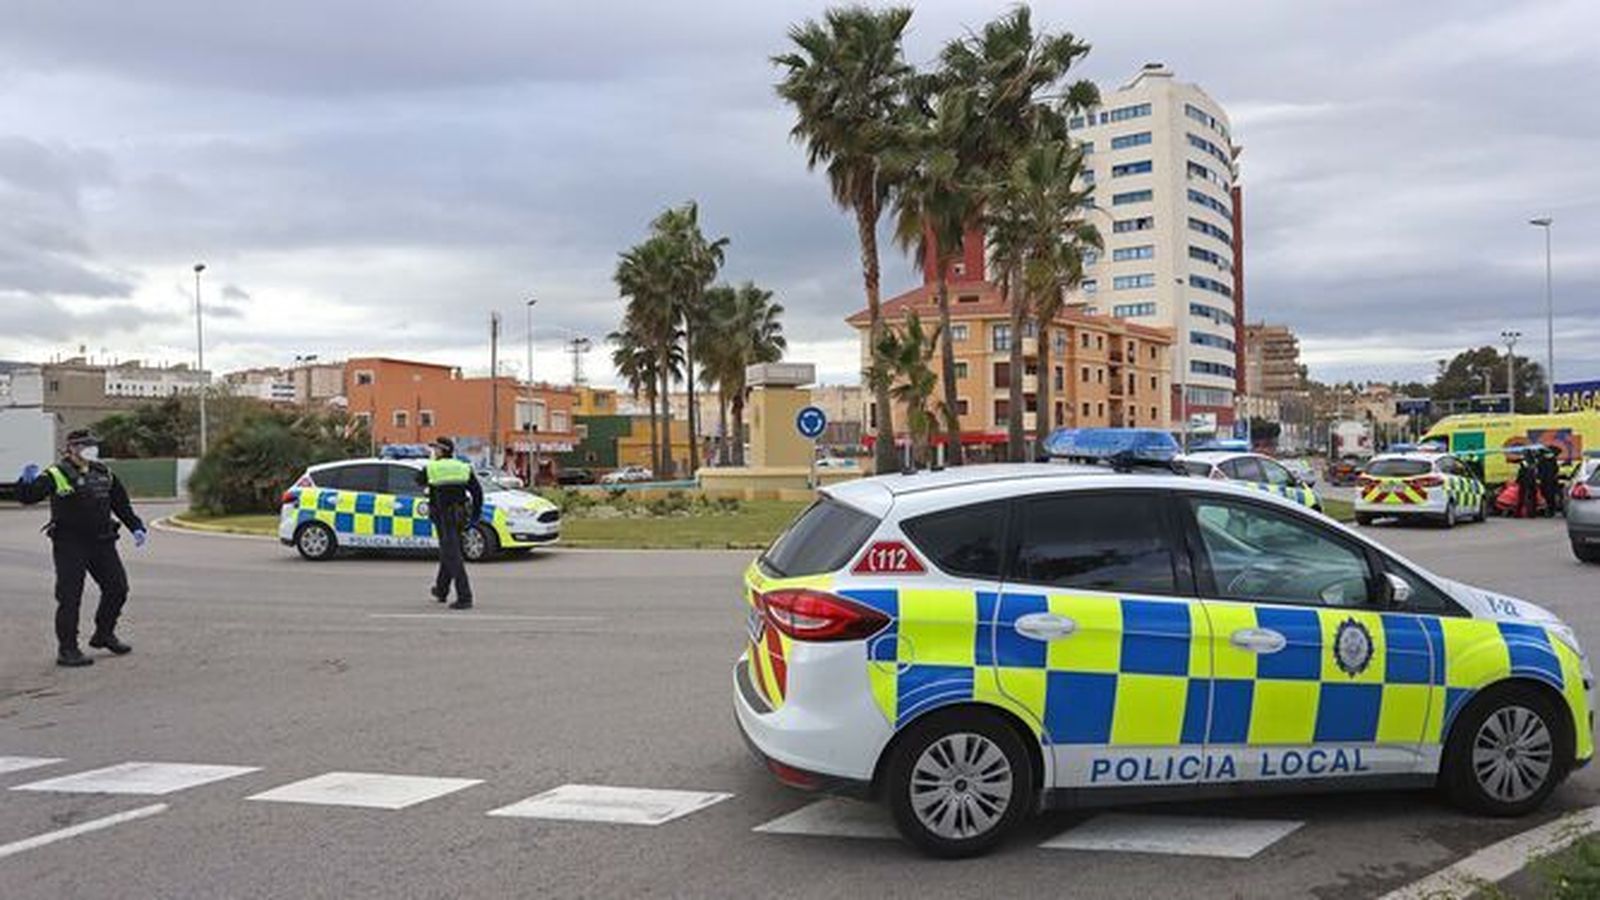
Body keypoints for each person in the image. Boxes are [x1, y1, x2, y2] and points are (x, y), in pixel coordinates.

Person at [15, 429, 147, 667]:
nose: (92, 450)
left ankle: (104, 634)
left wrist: (136, 527)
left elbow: (121, 505)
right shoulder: (56, 473)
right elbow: (29, 497)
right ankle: (67, 649)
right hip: (70, 544)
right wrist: (25, 483)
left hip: (102, 541)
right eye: (86, 445)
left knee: (117, 588)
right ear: (72, 448)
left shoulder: (104, 473)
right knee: (70, 596)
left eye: (93, 445)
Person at [416, 437, 482, 610]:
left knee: (452, 555)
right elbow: (477, 492)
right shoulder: (463, 467)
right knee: (448, 551)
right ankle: (441, 589)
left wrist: (431, 464)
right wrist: (475, 515)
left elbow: (418, 480)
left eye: (435, 449)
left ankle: (465, 597)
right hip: (460, 515)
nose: (434, 452)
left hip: (444, 517)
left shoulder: (433, 468)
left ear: (441, 450)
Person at [1537, 445, 1562, 518]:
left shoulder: (1541, 460)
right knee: (1550, 496)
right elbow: (1556, 470)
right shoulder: (1553, 460)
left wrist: (1539, 478)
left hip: (1545, 481)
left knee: (1546, 496)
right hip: (1551, 481)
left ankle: (1548, 511)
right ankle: (1550, 511)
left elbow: (1539, 471)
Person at [1516, 449, 1540, 519]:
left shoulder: (1524, 462)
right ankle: (1532, 513)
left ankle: (1518, 513)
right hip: (1532, 481)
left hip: (1524, 481)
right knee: (1532, 498)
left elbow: (1521, 472)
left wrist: (1518, 480)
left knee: (1522, 497)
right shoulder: (1534, 462)